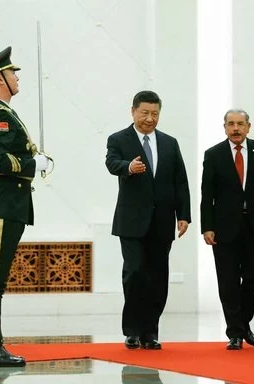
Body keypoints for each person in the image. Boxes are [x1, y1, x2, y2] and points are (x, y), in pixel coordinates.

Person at [0, 46, 50, 367]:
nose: (17, 77)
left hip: (5, 206)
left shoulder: (2, 113)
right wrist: (33, 163)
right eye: (13, 73)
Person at [105, 90, 191, 350]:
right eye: (145, 113)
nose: (150, 119)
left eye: (155, 114)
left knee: (157, 276)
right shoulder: (118, 139)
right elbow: (111, 163)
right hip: (131, 222)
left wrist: (183, 215)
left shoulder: (169, 143)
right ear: (133, 111)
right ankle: (132, 330)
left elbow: (180, 181)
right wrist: (128, 168)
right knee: (135, 273)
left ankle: (150, 332)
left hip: (162, 222)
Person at [200, 109, 254, 350]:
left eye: (240, 124)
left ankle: (242, 323)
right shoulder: (213, 154)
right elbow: (208, 195)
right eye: (231, 124)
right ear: (224, 127)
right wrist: (207, 227)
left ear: (248, 127)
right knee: (228, 280)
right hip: (224, 228)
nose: (236, 128)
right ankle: (235, 333)